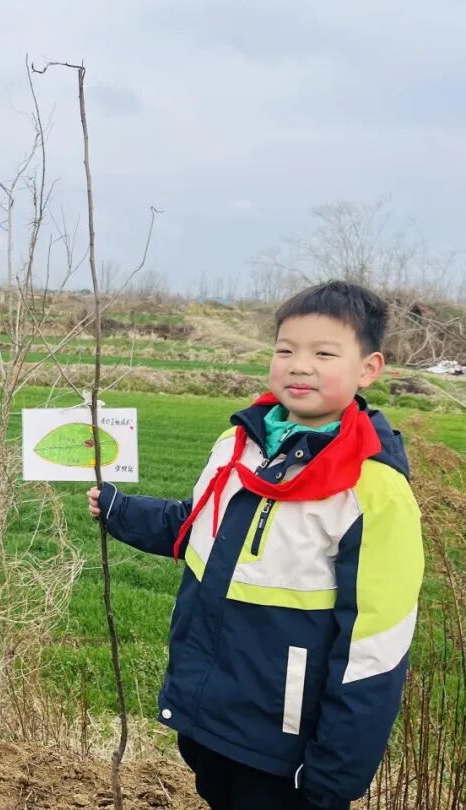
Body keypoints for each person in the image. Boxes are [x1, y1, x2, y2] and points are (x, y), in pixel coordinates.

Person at [88, 281, 423, 810]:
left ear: (368, 369)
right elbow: (197, 526)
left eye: (324, 353)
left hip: (285, 749)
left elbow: (373, 651)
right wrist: (120, 510)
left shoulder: (373, 491)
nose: (299, 365)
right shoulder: (239, 444)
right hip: (210, 719)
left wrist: (334, 777)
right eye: (285, 349)